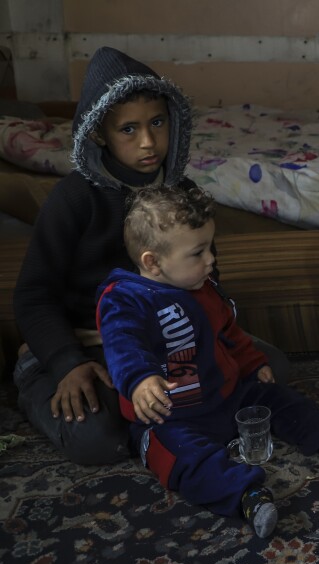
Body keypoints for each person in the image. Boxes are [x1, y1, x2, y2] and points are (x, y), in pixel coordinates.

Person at [11, 46, 288, 465]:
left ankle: (160, 417)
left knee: (274, 372)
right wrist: (66, 362)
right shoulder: (72, 199)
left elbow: (206, 279)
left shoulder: (184, 193)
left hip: (173, 339)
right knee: (97, 439)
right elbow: (33, 296)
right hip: (90, 346)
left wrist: (211, 346)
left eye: (157, 122)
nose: (147, 141)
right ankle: (35, 380)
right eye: (128, 129)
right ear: (99, 133)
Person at [96, 184, 319, 538]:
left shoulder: (204, 286)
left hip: (227, 397)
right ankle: (246, 496)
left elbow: (229, 332)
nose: (211, 260)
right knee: (184, 461)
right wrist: (139, 379)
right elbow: (122, 344)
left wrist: (251, 361)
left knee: (274, 396)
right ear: (152, 262)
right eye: (197, 253)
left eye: (209, 248)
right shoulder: (124, 299)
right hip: (173, 418)